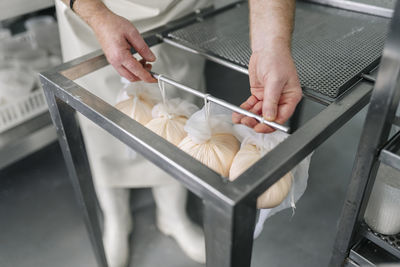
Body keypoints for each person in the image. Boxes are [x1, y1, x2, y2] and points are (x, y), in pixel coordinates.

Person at [56, 0, 301, 266]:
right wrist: (97, 15)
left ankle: (172, 216)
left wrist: (271, 47)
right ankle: (115, 218)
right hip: (92, 10)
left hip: (177, 12)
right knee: (101, 125)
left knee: (182, 126)